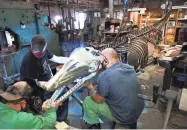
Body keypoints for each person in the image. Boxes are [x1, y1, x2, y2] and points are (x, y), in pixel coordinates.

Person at [82, 48, 145, 129]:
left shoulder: (105, 75)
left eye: (101, 62)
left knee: (88, 101)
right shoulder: (129, 68)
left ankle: (94, 127)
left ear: (105, 61)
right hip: (137, 111)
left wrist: (90, 87)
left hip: (123, 116)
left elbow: (98, 100)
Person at [20, 35, 69, 121]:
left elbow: (56, 59)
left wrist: (71, 60)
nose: (39, 54)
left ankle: (60, 119)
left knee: (64, 93)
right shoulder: (29, 61)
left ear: (45, 46)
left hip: (48, 81)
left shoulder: (45, 51)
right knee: (58, 98)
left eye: (41, 52)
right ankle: (57, 121)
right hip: (37, 87)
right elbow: (33, 82)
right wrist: (47, 85)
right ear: (31, 46)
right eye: (36, 52)